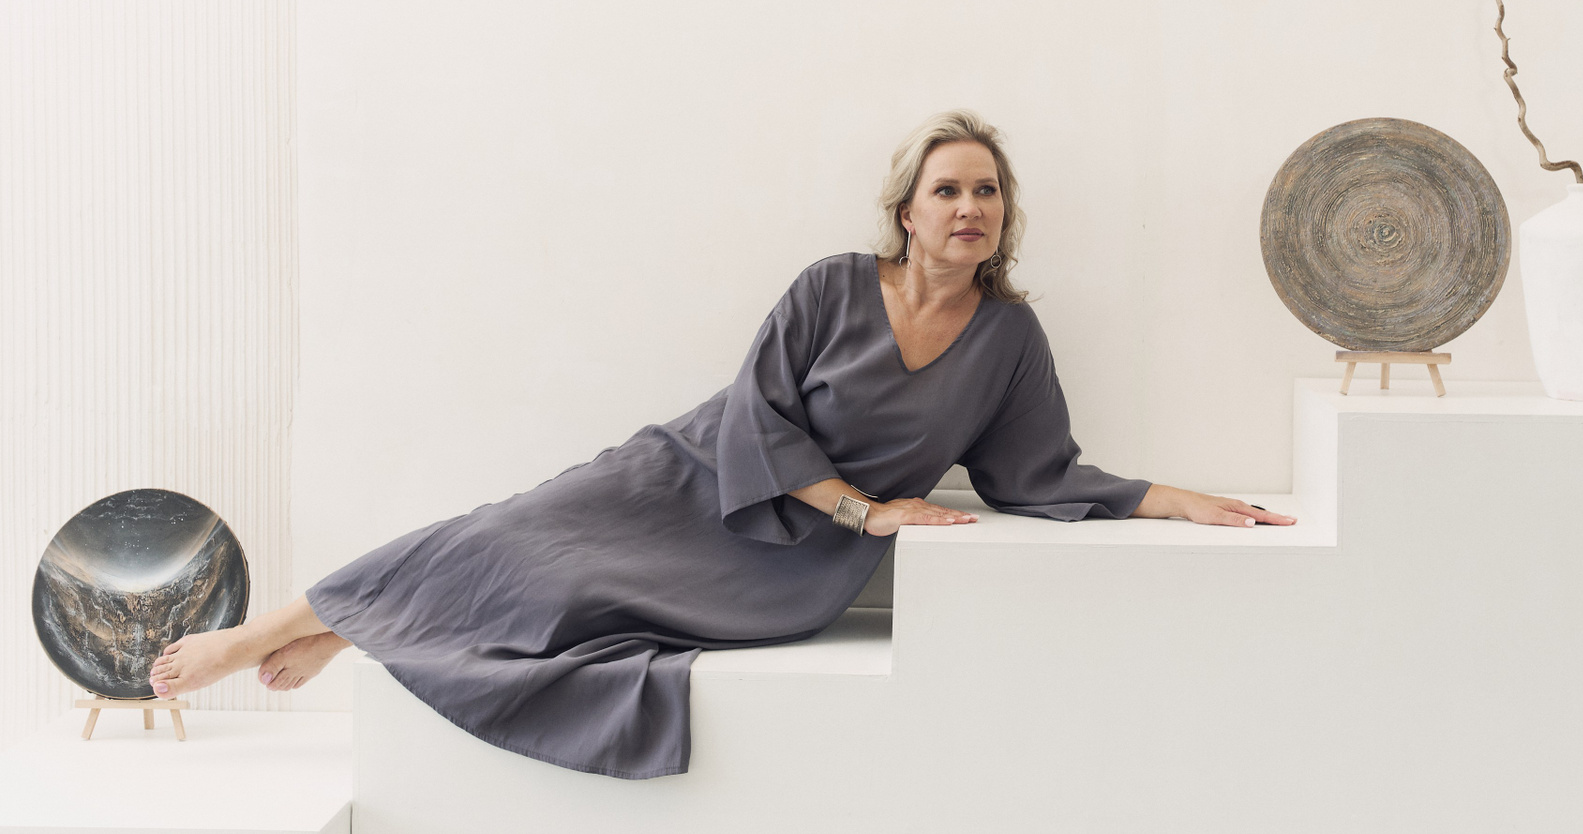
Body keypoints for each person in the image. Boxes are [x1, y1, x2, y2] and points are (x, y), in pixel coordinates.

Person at [145, 110, 1293, 778]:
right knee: (503, 536)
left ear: (1005, 213)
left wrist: (1177, 497)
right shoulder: (832, 287)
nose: (969, 208)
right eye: (948, 189)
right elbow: (757, 413)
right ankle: (278, 629)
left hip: (787, 563)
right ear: (907, 208)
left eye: (987, 191)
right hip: (692, 474)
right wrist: (866, 508)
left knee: (573, 603)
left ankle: (349, 625)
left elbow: (1037, 472)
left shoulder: (1010, 337)